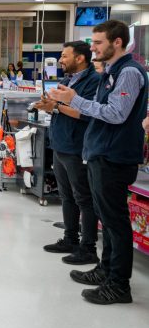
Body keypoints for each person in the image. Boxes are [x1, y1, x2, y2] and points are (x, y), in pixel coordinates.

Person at [49, 20, 147, 305]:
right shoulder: (112, 72)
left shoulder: (129, 72)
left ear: (117, 42)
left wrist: (74, 100)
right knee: (107, 218)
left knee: (116, 223)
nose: (93, 48)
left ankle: (119, 284)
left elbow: (116, 114)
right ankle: (106, 270)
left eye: (98, 43)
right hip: (100, 153)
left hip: (114, 156)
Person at [34, 41, 100, 265]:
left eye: (64, 56)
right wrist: (48, 105)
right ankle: (70, 238)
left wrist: (56, 107)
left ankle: (88, 247)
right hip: (60, 144)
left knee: (83, 197)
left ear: (80, 58)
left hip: (76, 147)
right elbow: (58, 107)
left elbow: (86, 113)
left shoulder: (93, 81)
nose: (61, 60)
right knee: (66, 196)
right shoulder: (66, 80)